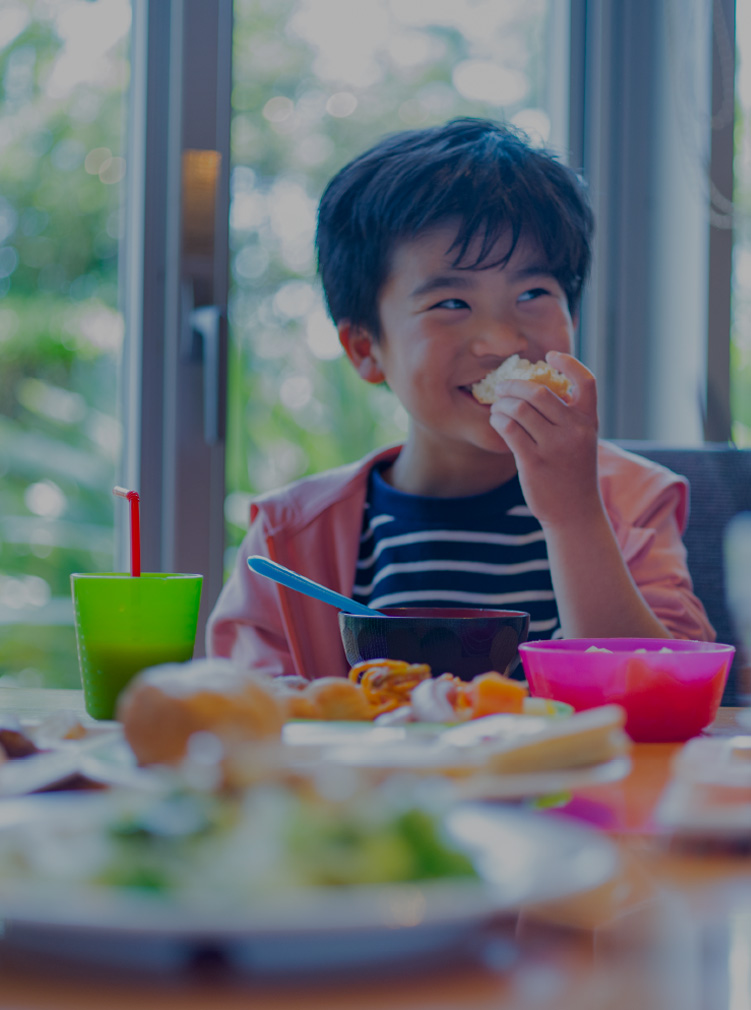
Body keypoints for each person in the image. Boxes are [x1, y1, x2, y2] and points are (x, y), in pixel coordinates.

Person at [207, 118, 714, 679]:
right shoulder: (292, 534)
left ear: (571, 317)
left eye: (533, 293)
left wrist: (574, 516)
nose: (502, 341)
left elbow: (667, 695)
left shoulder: (631, 501)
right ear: (364, 348)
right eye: (451, 303)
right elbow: (246, 721)